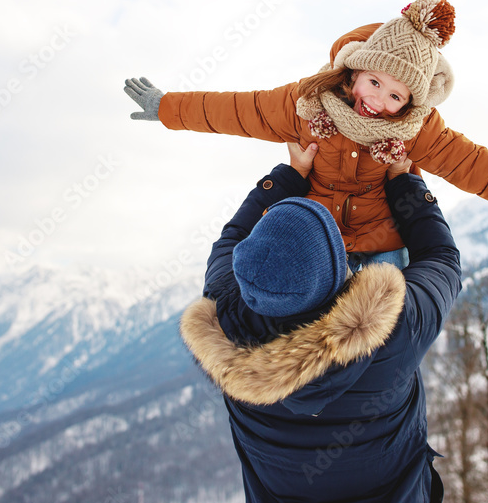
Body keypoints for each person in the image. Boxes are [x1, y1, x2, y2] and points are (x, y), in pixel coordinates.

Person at [126, 0, 488, 270]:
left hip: (382, 245)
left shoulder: (418, 130)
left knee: (378, 339)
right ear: (354, 72)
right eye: (374, 82)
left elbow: (473, 164)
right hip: (312, 237)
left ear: (410, 104)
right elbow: (236, 110)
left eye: (395, 96)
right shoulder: (306, 103)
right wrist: (167, 107)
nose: (378, 101)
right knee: (307, 335)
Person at [178, 141, 459, 502]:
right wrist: (404, 183)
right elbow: (442, 258)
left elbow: (229, 240)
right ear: (336, 273)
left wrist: (288, 177)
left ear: (243, 267)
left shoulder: (224, 317)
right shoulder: (390, 329)